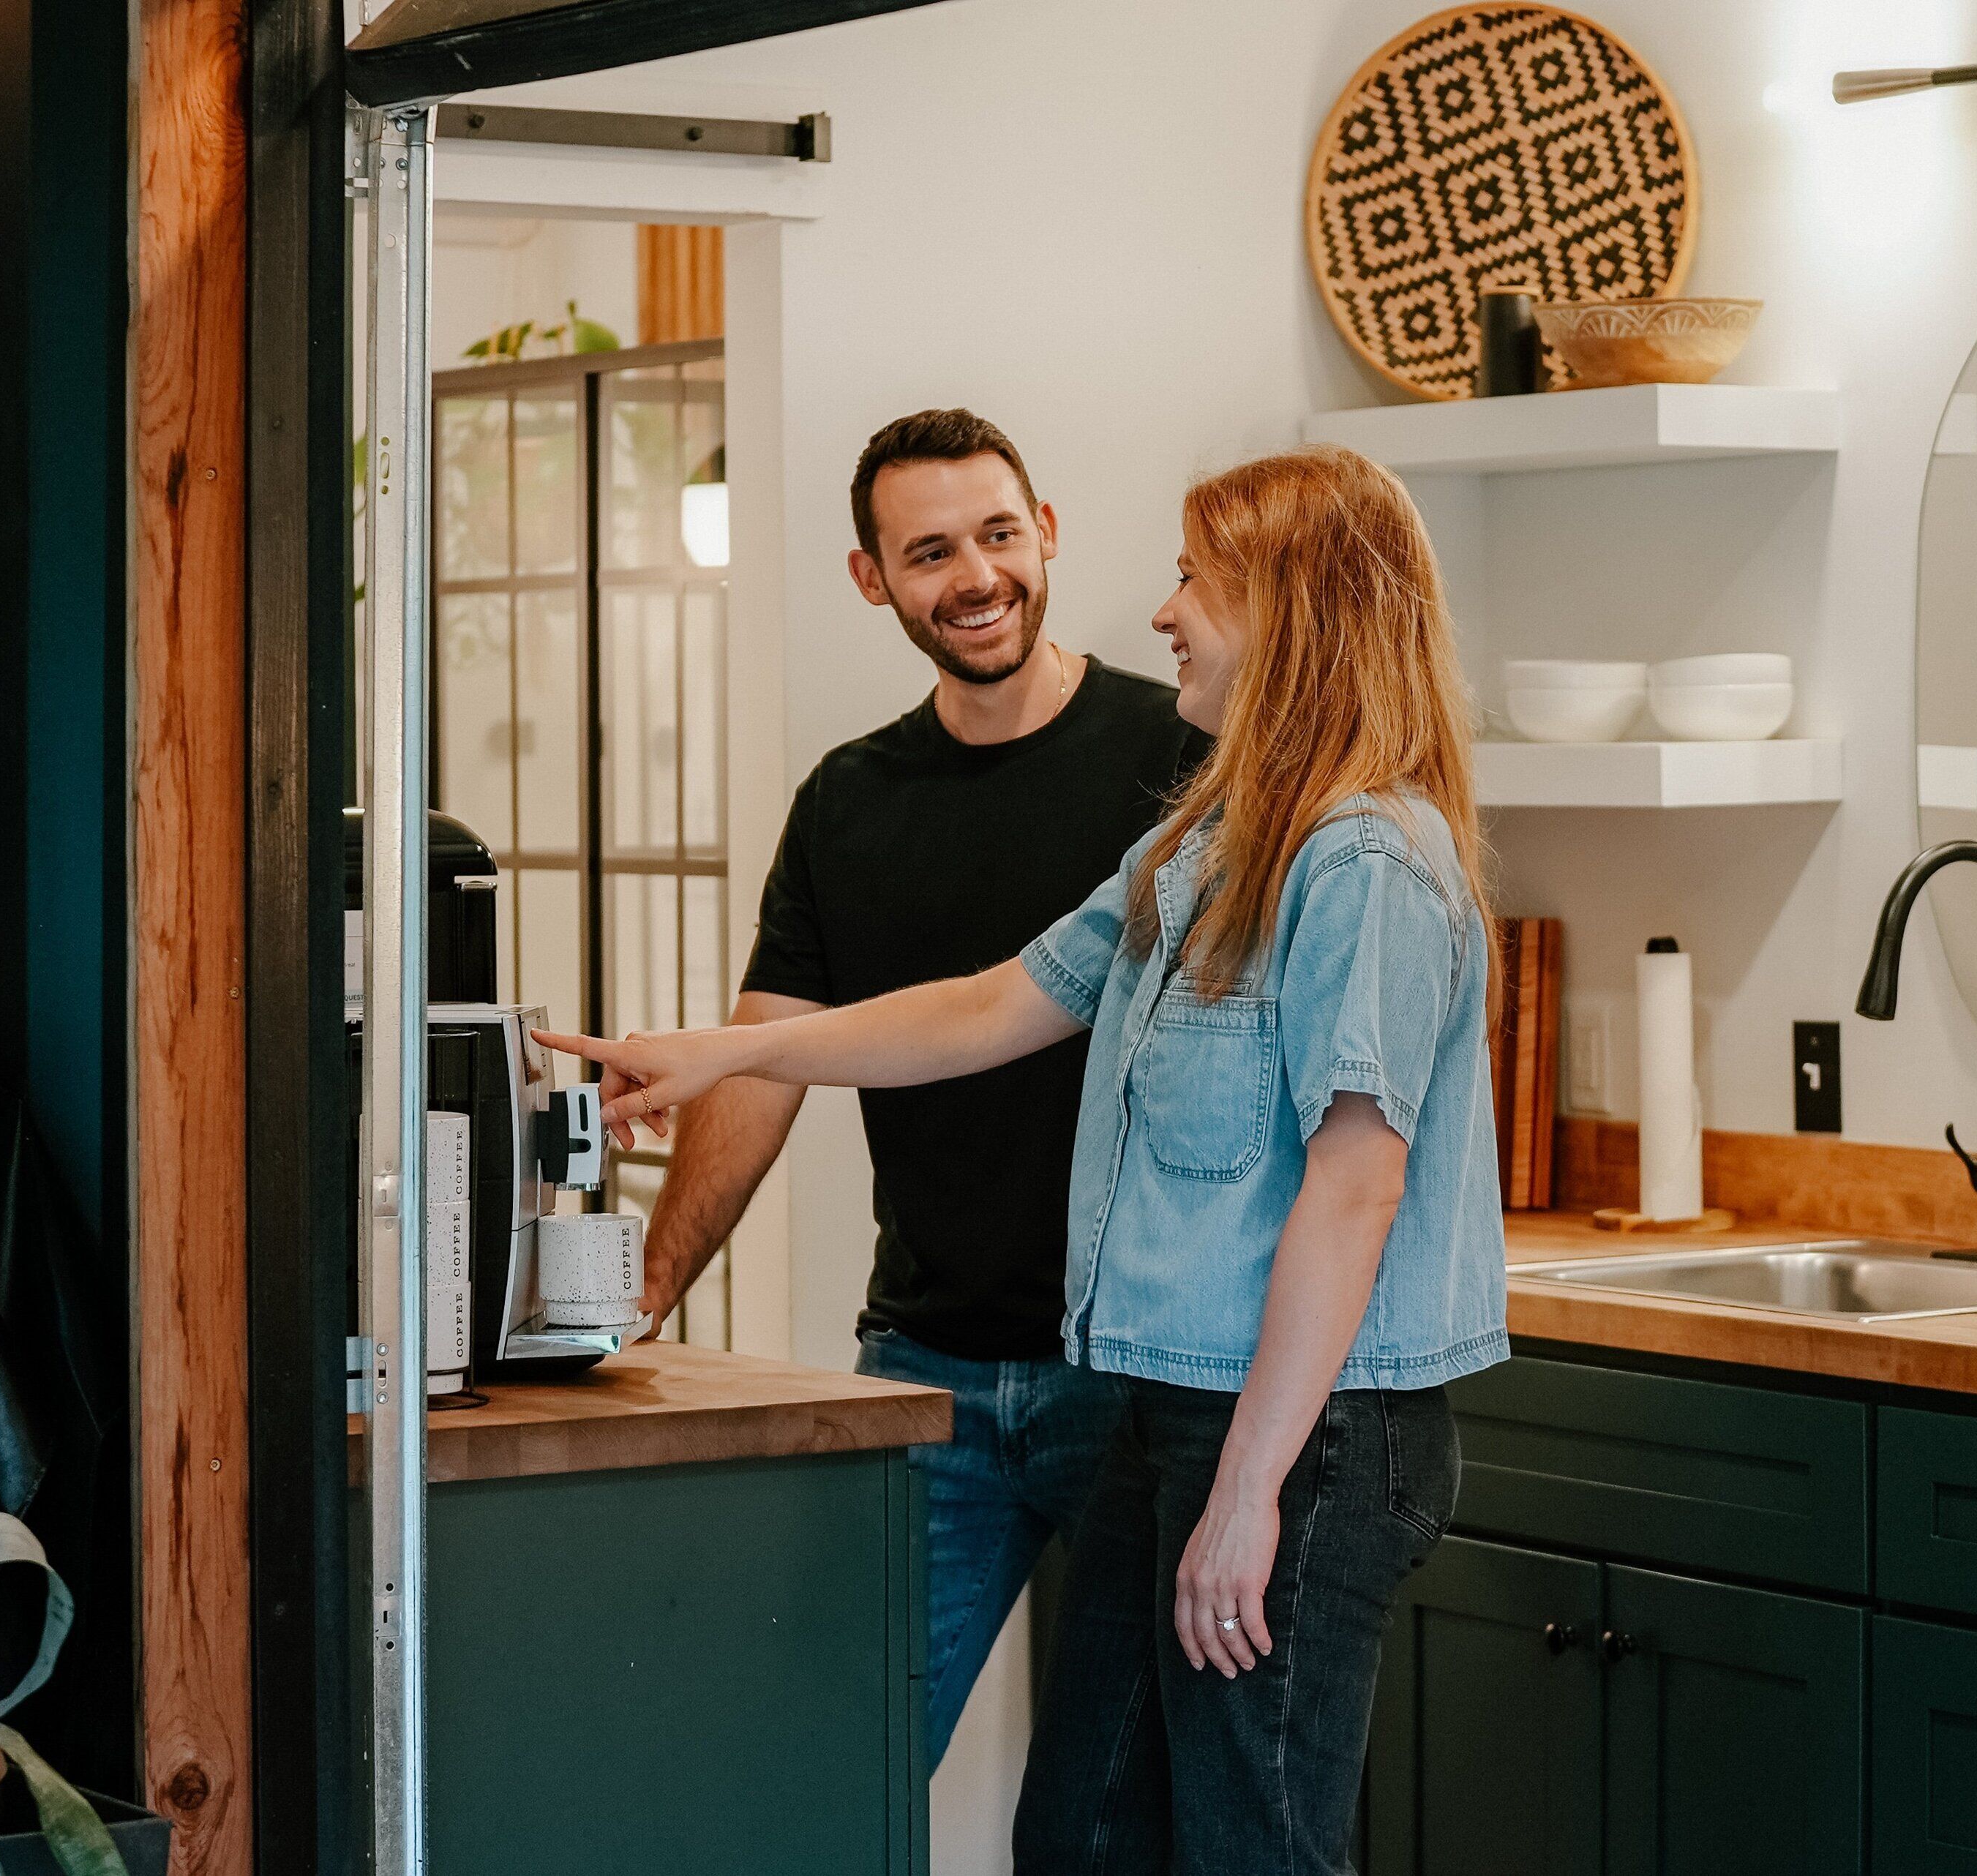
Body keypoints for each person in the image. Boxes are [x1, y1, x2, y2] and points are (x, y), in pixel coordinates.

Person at [541, 443, 1507, 1872]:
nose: (1166, 611)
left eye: (1197, 581)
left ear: (1290, 615)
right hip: (1174, 1409)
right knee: (1082, 1834)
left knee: (1255, 1845)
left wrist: (1251, 1491)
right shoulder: (1211, 842)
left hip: (1308, 1435)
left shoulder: (1362, 862)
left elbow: (1355, 1185)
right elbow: (995, 1002)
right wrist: (724, 1051)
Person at [629, 407, 1209, 1764]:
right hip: (926, 1371)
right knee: (838, 1764)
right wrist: (648, 1291)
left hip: (1130, 1376)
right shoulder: (849, 800)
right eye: (932, 551)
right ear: (872, 578)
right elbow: (764, 1064)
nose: (977, 577)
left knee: (1107, 1814)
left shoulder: (1181, 764)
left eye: (1000, 535)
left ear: (1047, 535)